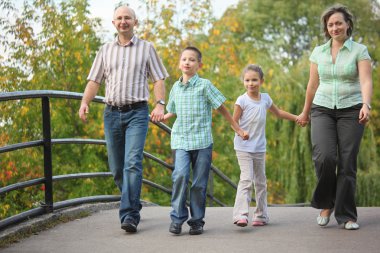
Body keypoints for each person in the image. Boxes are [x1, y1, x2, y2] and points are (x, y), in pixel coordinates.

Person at [78, 5, 169, 233]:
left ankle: (129, 215)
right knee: (117, 168)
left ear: (135, 22)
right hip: (111, 113)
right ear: (113, 23)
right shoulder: (105, 50)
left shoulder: (147, 48)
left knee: (132, 163)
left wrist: (160, 103)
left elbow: (159, 79)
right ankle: (133, 199)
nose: (123, 21)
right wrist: (85, 102)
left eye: (127, 18)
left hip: (138, 112)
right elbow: (94, 80)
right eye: (119, 18)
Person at [296, 4, 372, 230]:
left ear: (348, 24)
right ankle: (326, 203)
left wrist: (366, 104)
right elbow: (312, 84)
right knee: (324, 157)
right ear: (326, 28)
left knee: (347, 162)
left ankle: (347, 215)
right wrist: (305, 111)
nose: (334, 27)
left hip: (352, 109)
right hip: (322, 108)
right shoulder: (318, 52)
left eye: (338, 23)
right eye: (330, 24)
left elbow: (366, 81)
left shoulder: (360, 50)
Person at [164, 46, 248, 235]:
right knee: (180, 176)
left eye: (192, 59)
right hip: (181, 140)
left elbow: (222, 108)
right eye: (184, 59)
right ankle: (177, 218)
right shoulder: (175, 87)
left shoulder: (205, 85)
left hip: (202, 142)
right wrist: (163, 116)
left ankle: (196, 221)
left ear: (199, 65)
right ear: (179, 64)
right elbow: (172, 110)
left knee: (199, 184)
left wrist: (237, 128)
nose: (187, 62)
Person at [232, 64, 298, 227]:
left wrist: (297, 118)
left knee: (261, 182)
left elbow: (279, 113)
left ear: (261, 81)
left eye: (254, 80)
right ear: (243, 81)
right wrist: (241, 132)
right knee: (246, 179)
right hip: (243, 147)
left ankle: (261, 215)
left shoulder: (266, 98)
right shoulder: (242, 100)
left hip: (259, 147)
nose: (251, 83)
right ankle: (241, 214)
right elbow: (233, 122)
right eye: (247, 80)